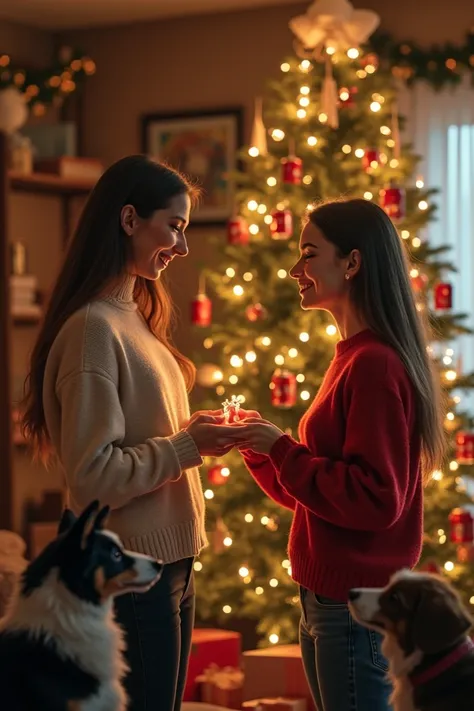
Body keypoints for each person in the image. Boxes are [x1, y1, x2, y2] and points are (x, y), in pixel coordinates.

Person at [21, 156, 242, 711]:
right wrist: (188, 446)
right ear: (128, 220)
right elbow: (95, 476)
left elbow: (141, 436)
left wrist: (189, 432)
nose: (183, 246)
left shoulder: (134, 315)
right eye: (176, 226)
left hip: (168, 564)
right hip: (132, 571)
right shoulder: (95, 329)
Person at [232, 198, 446, 711]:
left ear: (351, 263)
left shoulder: (374, 365)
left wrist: (282, 449)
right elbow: (326, 500)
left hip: (352, 609)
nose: (295, 271)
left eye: (309, 254)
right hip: (326, 600)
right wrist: (265, 452)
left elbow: (374, 500)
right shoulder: (352, 356)